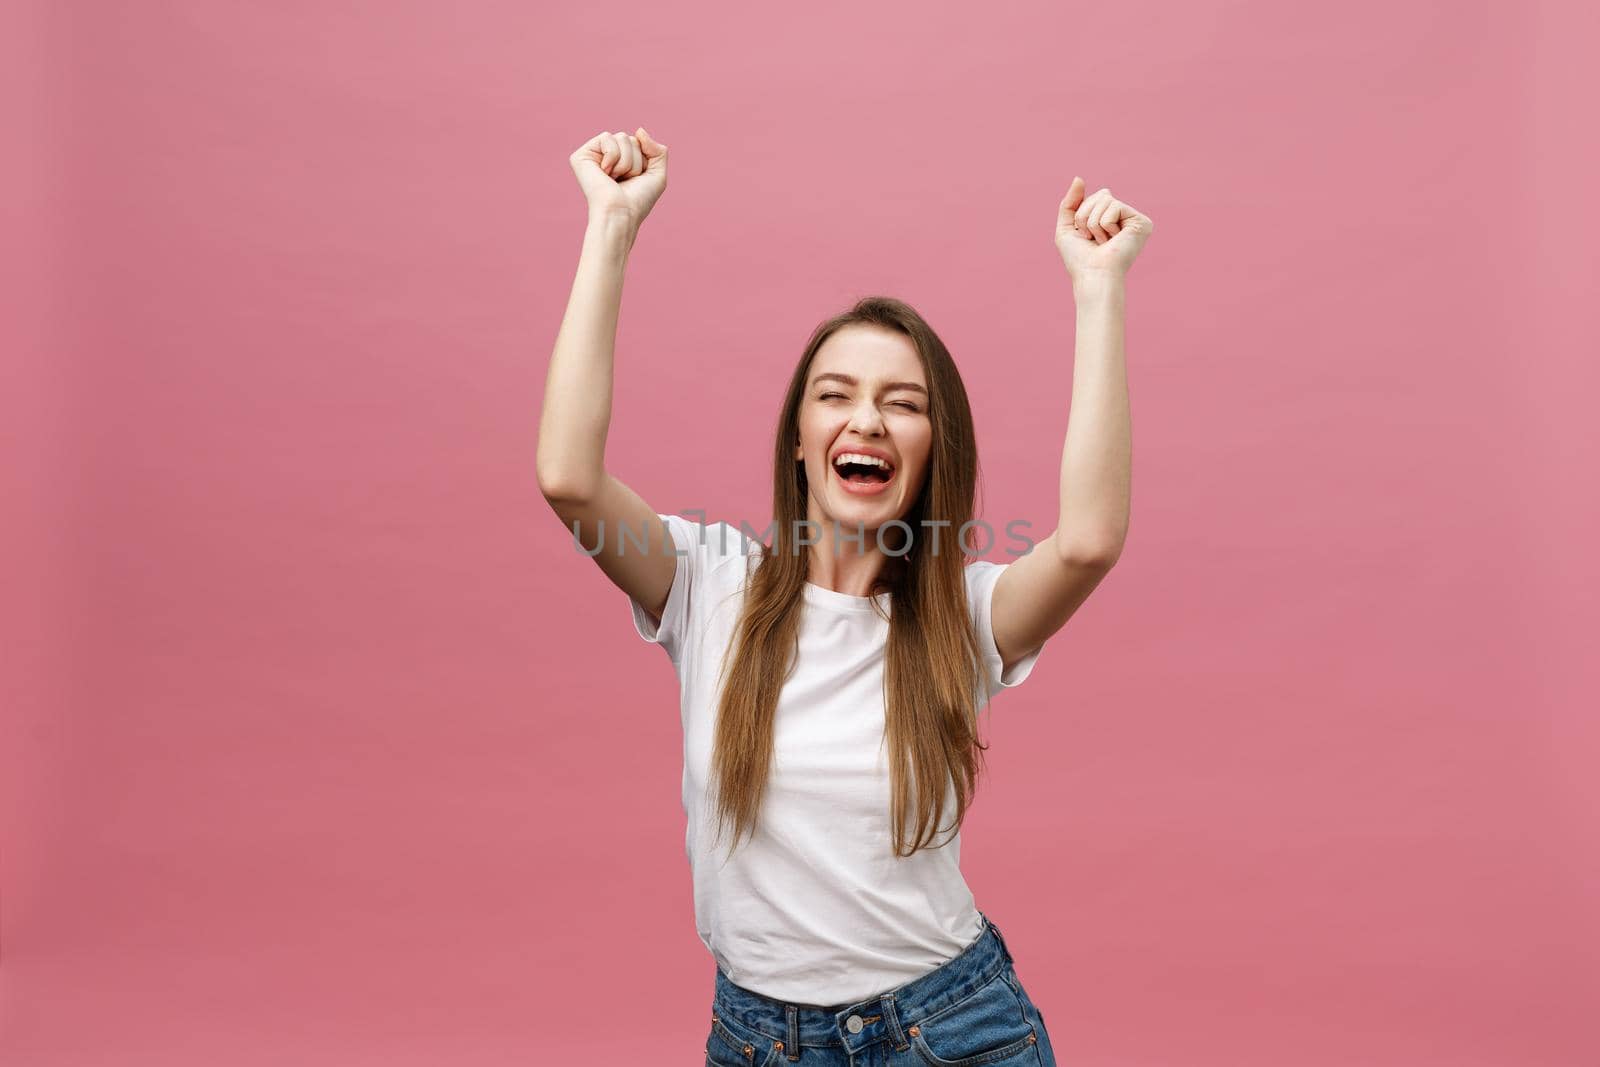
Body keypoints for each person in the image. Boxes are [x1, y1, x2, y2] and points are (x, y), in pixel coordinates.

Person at [538, 127, 1153, 1066]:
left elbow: (1091, 541)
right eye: (835, 395)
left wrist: (1099, 289)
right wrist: (612, 224)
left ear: (932, 448)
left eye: (902, 403)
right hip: (758, 1041)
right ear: (798, 437)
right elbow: (570, 478)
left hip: (949, 1031)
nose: (866, 417)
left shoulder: (965, 619)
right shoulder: (709, 585)